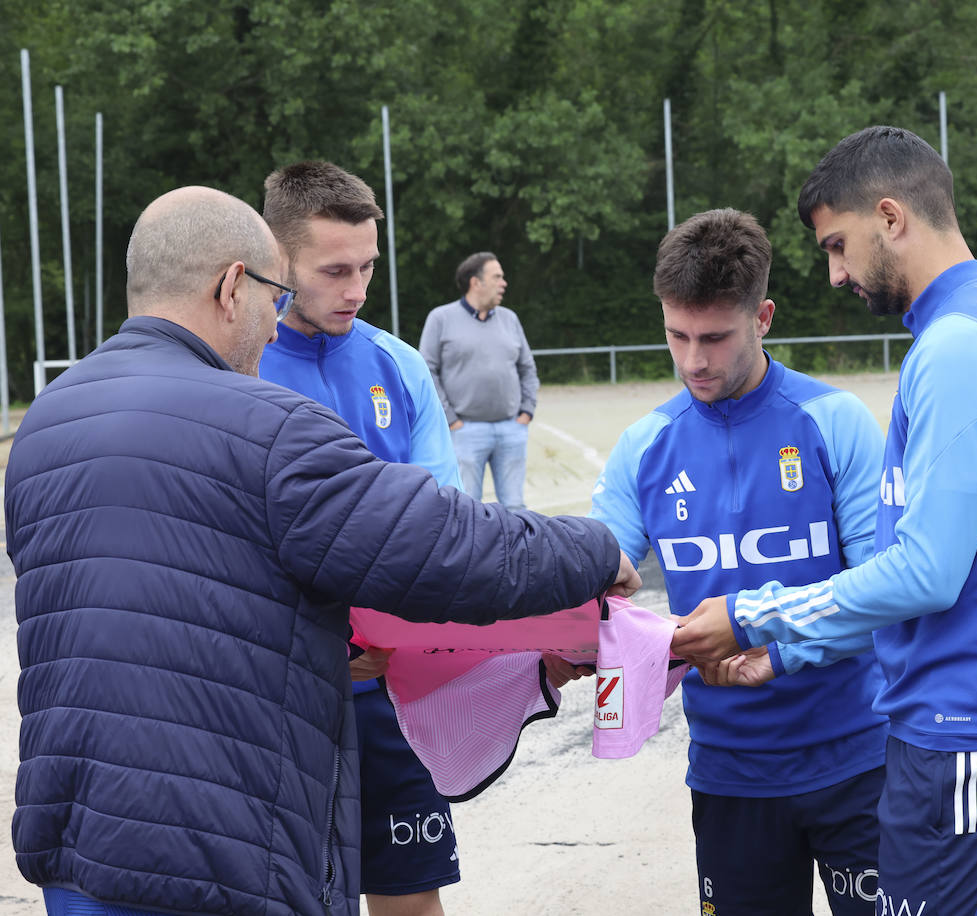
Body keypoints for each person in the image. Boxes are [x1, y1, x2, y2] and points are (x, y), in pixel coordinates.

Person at [6, 185, 640, 916]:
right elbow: (437, 544)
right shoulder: (268, 427)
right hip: (219, 854)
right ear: (232, 286)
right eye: (271, 298)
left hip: (77, 848)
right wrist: (593, 551)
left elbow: (163, 607)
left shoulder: (45, 425)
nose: (272, 330)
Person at [671, 126, 977, 915]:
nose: (835, 275)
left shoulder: (959, 347)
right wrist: (794, 647)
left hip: (973, 724)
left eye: (838, 245)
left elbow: (927, 571)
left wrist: (754, 616)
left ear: (891, 218)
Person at [589, 208, 889, 914]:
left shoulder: (835, 423)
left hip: (859, 761)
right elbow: (599, 583)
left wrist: (773, 651)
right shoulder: (644, 446)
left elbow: (888, 597)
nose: (695, 360)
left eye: (716, 338)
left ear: (764, 318)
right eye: (677, 336)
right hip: (729, 774)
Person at [258, 161, 462, 916]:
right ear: (277, 261)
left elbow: (439, 529)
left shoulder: (397, 365)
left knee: (408, 901)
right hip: (277, 700)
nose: (357, 289)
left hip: (387, 695)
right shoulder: (233, 367)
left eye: (368, 266)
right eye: (335, 270)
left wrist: (405, 640)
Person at [419, 253, 538, 508]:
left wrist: (527, 411)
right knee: (466, 508)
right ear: (476, 282)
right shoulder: (441, 318)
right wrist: (452, 420)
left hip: (512, 428)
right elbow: (427, 371)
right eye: (497, 277)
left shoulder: (510, 319)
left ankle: (515, 551)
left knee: (515, 507)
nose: (504, 283)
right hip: (465, 431)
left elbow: (527, 367)